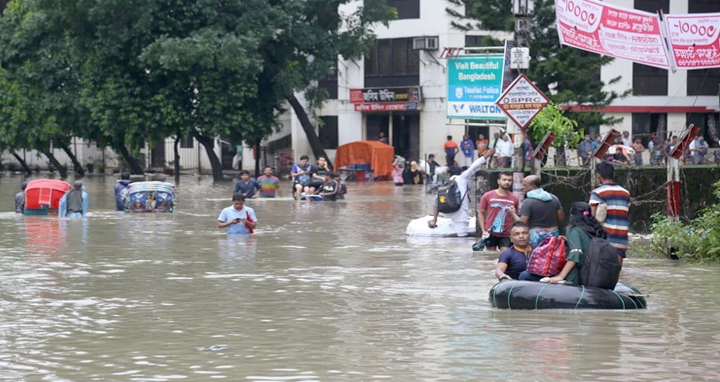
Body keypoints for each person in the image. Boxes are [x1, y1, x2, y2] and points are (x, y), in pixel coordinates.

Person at [427, 150, 495, 237]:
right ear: (460, 172)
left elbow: (436, 203)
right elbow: (473, 167)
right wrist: (487, 155)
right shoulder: (462, 178)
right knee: (462, 240)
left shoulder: (444, 184)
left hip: (446, 212)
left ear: (449, 173)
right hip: (460, 214)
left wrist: (434, 220)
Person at [543, 202, 608, 284]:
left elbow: (576, 252)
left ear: (571, 215)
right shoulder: (594, 229)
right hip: (593, 271)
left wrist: (561, 276)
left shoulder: (573, 229)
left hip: (578, 273)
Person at [589, 162, 630, 263]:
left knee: (601, 271)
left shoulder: (597, 193)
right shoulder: (625, 193)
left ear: (598, 176)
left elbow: (591, 216)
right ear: (614, 175)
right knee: (616, 272)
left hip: (604, 238)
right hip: (621, 238)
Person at [514, 175, 564, 248]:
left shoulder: (528, 202)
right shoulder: (554, 198)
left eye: (524, 185)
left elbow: (522, 223)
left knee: (535, 257)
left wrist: (512, 213)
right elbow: (561, 218)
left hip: (536, 235)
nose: (522, 187)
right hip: (553, 233)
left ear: (533, 186)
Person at [478, 171, 520, 251]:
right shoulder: (487, 196)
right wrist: (483, 230)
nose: (507, 182)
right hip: (490, 232)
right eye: (504, 180)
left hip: (506, 233)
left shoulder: (514, 199)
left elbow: (515, 217)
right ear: (498, 181)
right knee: (490, 257)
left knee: (506, 255)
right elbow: (481, 213)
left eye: (509, 180)